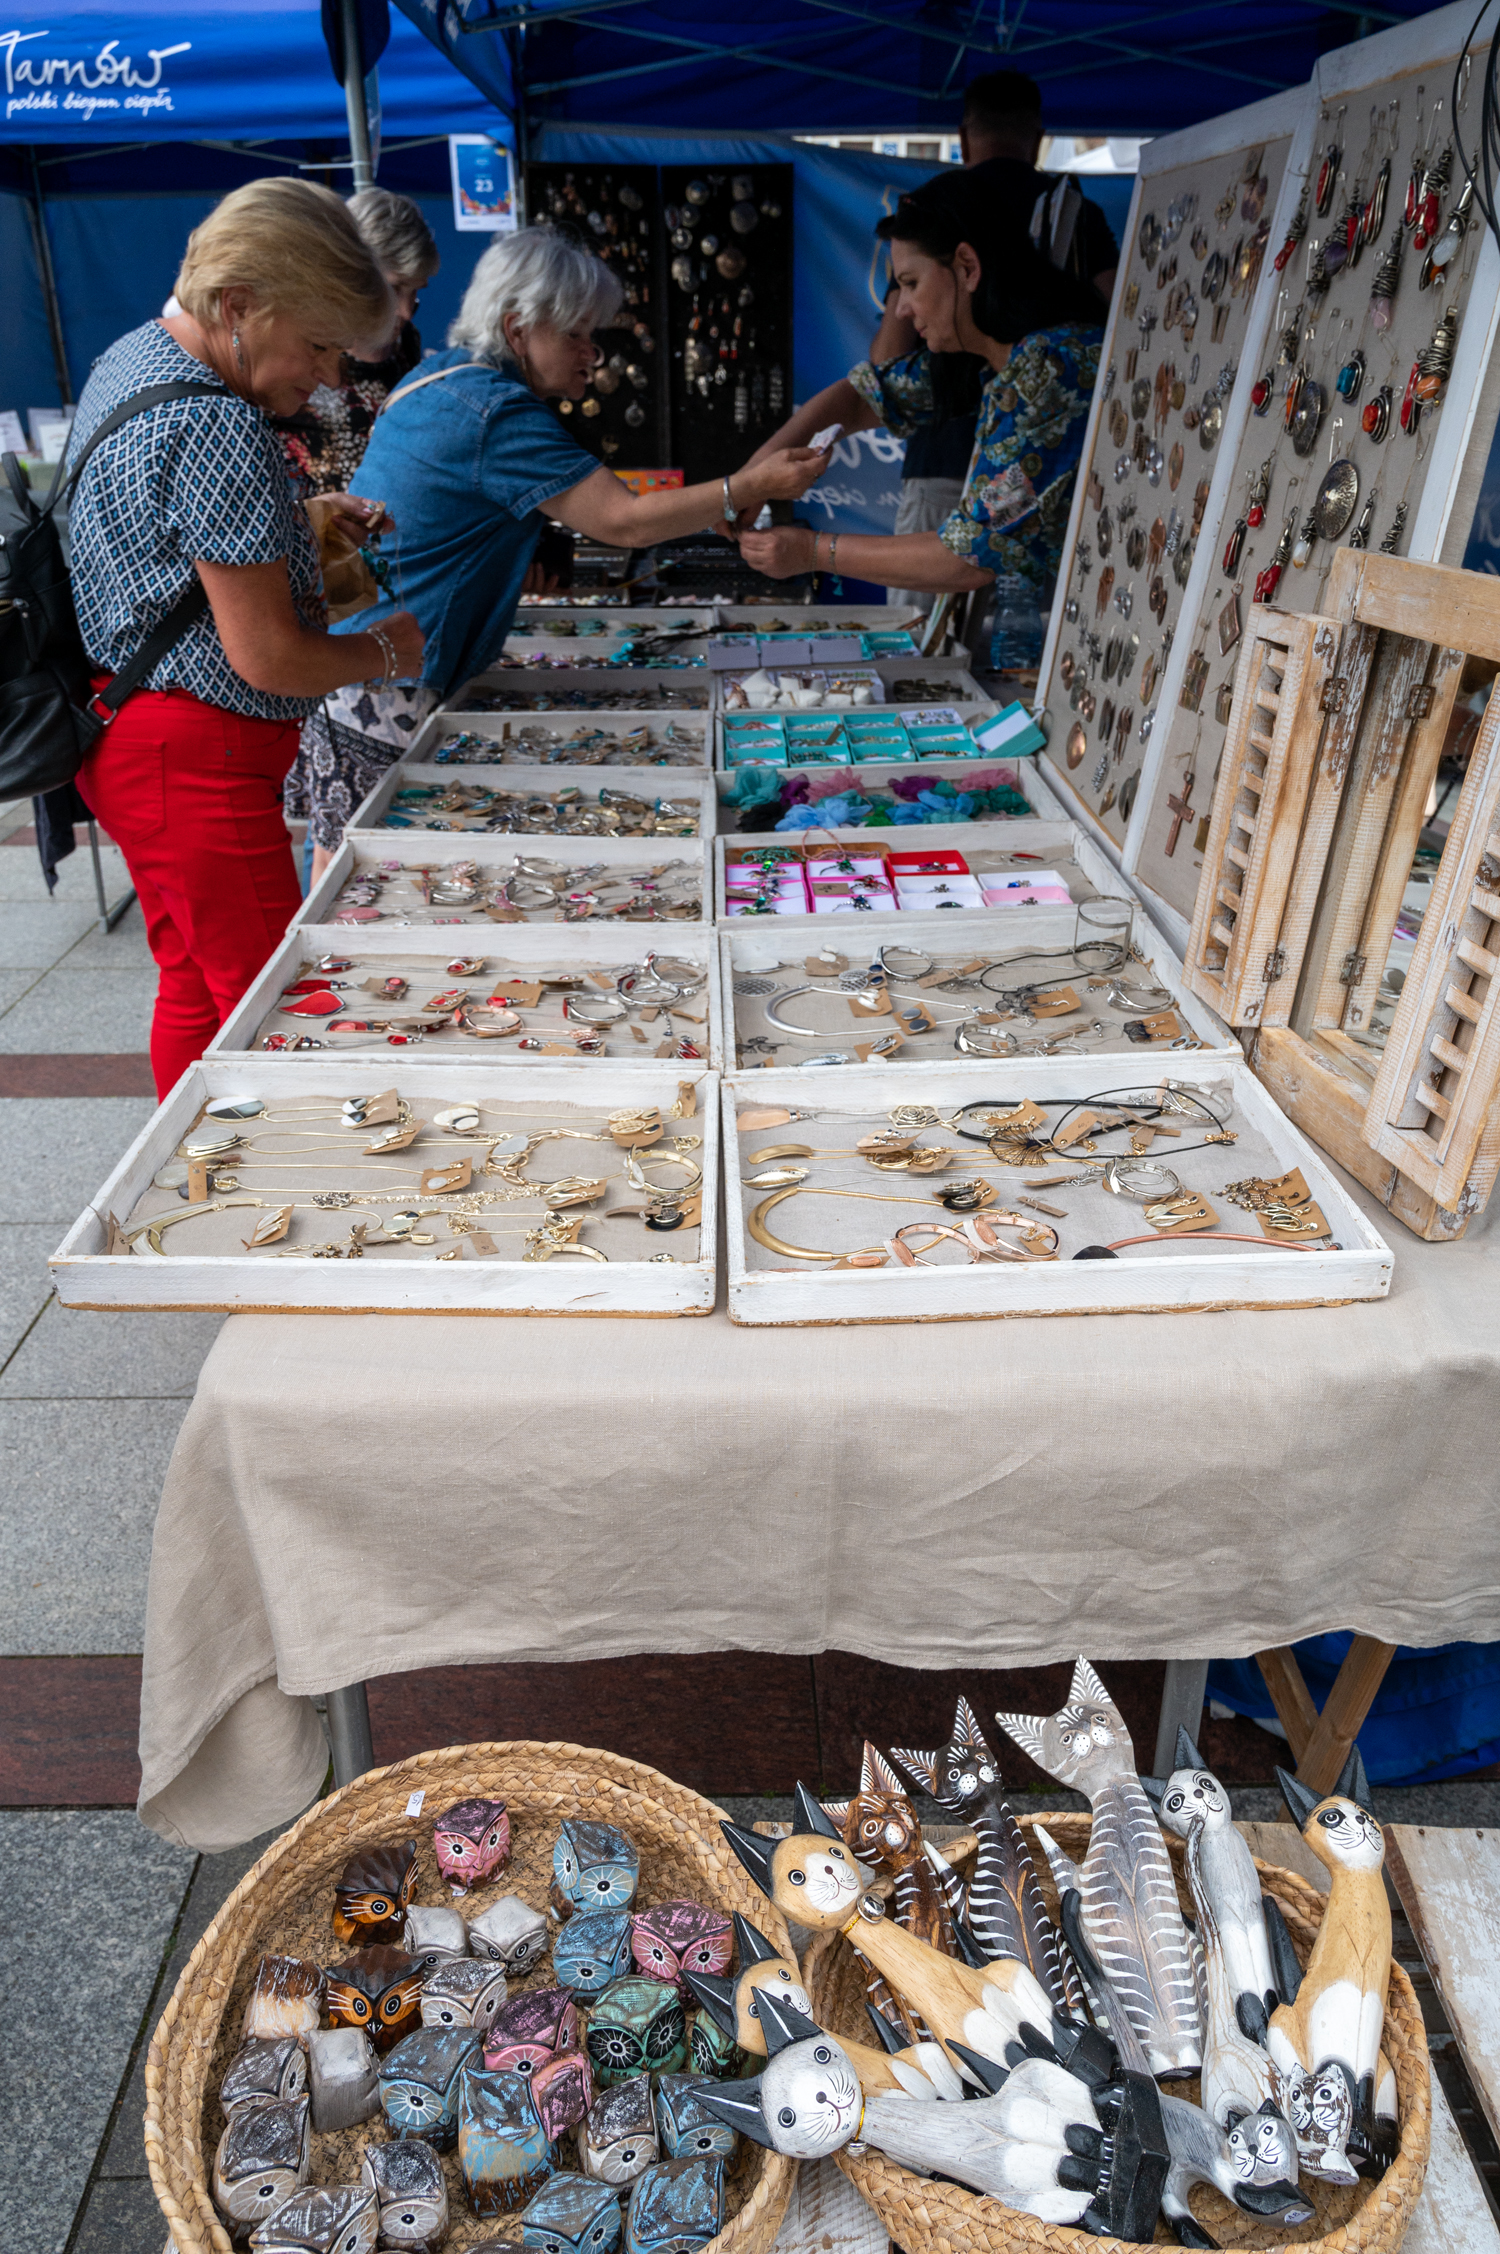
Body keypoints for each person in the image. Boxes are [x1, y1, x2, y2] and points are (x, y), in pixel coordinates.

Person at [297, 224, 830, 879]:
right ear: (518, 329)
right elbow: (624, 522)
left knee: (341, 855)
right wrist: (747, 487)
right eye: (576, 334)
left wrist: (532, 537)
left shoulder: (438, 376)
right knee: (358, 873)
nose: (592, 354)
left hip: (359, 660)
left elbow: (449, 502)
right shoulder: (495, 411)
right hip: (393, 681)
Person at [67, 176, 425, 1096]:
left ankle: (191, 1160)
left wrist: (302, 522)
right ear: (238, 305)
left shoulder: (134, 358)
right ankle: (284, 1178)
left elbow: (157, 547)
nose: (331, 376)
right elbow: (268, 658)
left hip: (128, 734)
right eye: (318, 344)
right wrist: (387, 651)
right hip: (196, 763)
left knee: (195, 987)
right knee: (279, 1016)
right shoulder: (218, 422)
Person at [776, 70, 1118, 609]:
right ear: (1037, 137)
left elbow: (965, 558)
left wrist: (813, 551)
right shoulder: (988, 360)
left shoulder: (1047, 370)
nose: (902, 309)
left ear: (967, 266)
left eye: (910, 284)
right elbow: (866, 392)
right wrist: (754, 481)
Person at [275, 187, 441, 496]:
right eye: (395, 288)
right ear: (352, 273)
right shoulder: (298, 342)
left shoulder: (406, 339)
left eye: (416, 292)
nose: (406, 311)